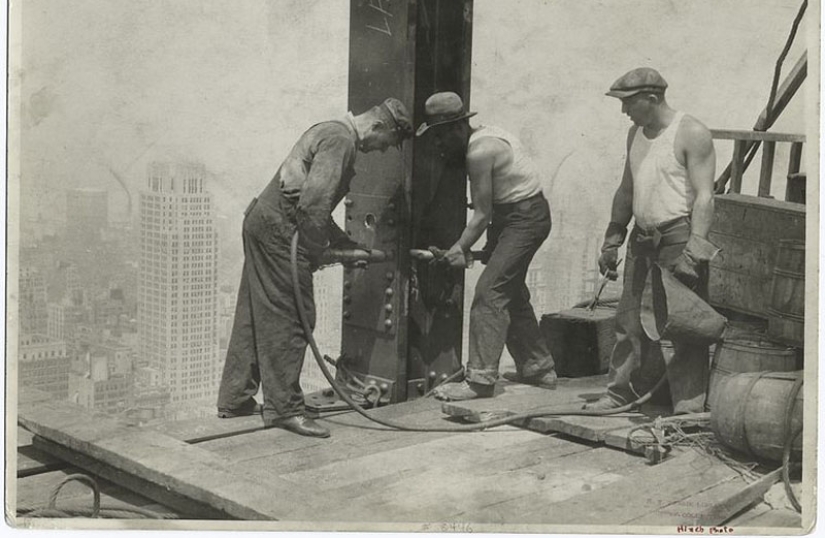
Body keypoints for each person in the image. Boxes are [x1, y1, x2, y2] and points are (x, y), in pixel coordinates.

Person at [217, 98, 413, 437]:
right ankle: (285, 409)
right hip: (280, 233)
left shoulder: (330, 131)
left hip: (262, 222)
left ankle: (235, 397)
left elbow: (308, 201)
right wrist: (321, 253)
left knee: (253, 313)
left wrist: (343, 243)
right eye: (387, 142)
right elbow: (312, 206)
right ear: (378, 126)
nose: (382, 150)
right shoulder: (341, 141)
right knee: (294, 315)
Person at [584, 67, 718, 415]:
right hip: (641, 240)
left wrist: (696, 249)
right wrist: (612, 239)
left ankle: (687, 409)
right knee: (628, 322)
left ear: (652, 98)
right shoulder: (635, 134)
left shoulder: (692, 133)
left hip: (678, 240)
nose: (624, 111)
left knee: (683, 325)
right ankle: (619, 393)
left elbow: (705, 196)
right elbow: (627, 189)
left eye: (628, 103)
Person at [415, 91, 557, 401]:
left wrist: (458, 249)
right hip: (515, 215)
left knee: (489, 294)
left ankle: (479, 381)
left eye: (441, 136)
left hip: (524, 219)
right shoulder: (484, 135)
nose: (438, 144)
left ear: (458, 127)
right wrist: (463, 247)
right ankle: (538, 367)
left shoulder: (479, 152)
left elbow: (481, 215)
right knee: (510, 291)